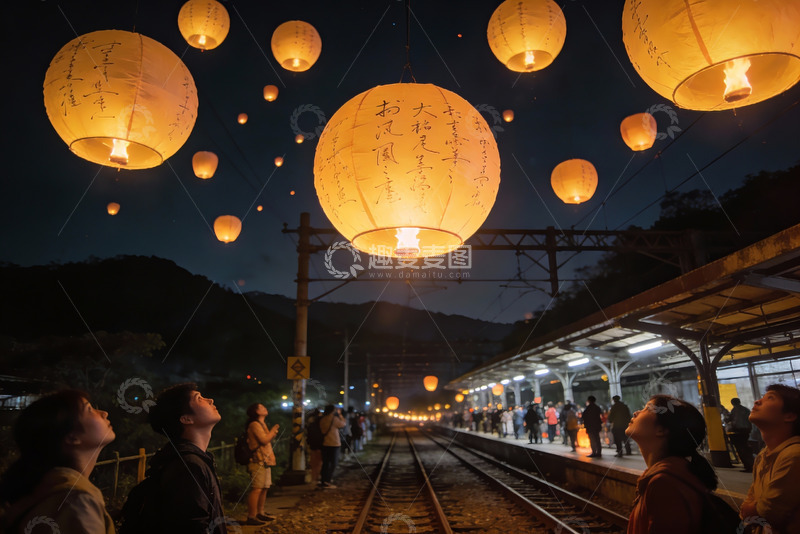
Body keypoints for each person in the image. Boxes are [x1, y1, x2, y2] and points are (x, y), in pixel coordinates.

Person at [0, 390, 116, 534]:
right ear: (71, 437)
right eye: (90, 409)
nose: (104, 413)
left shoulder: (49, 491)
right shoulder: (75, 501)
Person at [625, 395, 719, 534]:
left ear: (662, 430)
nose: (636, 412)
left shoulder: (664, 483)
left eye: (647, 409)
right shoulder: (674, 473)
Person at [145, 383, 227, 534]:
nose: (210, 400)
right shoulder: (188, 466)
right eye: (199, 398)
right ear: (186, 419)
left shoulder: (192, 460)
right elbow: (193, 527)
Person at [741, 384, 800, 534]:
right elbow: (751, 500)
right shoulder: (763, 455)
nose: (757, 402)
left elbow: (768, 512)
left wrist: (752, 510)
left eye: (770, 398)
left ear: (790, 415)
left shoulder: (794, 455)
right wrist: (751, 510)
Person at [245, 403, 279, 526]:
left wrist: (271, 432)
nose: (265, 408)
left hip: (265, 460)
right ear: (256, 412)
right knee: (257, 488)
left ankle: (260, 512)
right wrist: (273, 430)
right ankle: (251, 516)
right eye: (262, 407)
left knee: (264, 487)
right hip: (257, 460)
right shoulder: (254, 424)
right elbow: (264, 440)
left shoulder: (261, 423)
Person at [319, 404, 346, 488]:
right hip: (334, 443)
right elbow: (343, 424)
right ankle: (328, 480)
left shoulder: (323, 419)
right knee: (333, 463)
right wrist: (340, 415)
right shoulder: (334, 419)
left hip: (325, 443)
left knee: (325, 463)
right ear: (332, 411)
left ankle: (324, 480)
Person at [726, 397, 754, 472]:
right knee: (745, 448)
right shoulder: (746, 409)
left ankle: (747, 466)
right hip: (746, 431)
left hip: (738, 432)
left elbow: (729, 420)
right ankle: (751, 465)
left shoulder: (734, 410)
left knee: (740, 449)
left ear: (732, 403)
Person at [306, 407, 323, 485]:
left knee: (313, 463)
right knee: (319, 462)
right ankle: (317, 477)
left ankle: (313, 478)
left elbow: (308, 435)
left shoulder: (311, 424)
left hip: (312, 445)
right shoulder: (321, 423)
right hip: (320, 444)